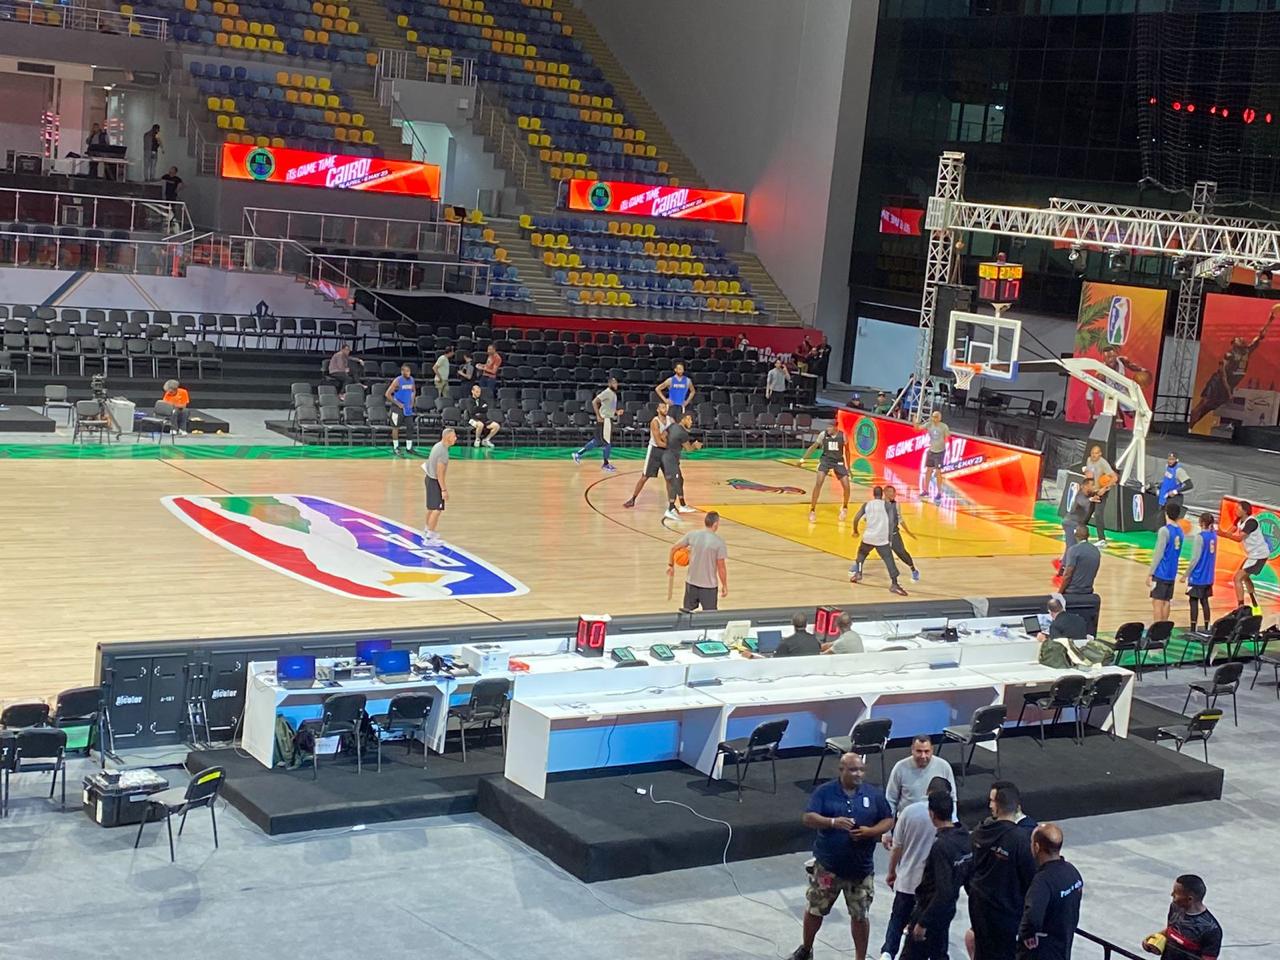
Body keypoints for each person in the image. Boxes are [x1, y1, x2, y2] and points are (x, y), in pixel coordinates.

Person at [788, 753, 894, 960]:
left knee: (860, 916)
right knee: (815, 909)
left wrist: (870, 832)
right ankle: (806, 949)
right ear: (841, 770)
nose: (858, 774)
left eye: (861, 770)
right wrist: (832, 822)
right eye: (853, 770)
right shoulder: (825, 792)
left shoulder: (873, 794)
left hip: (860, 870)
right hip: (828, 868)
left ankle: (860, 958)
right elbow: (808, 818)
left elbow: (888, 820)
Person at [881, 777, 953, 960]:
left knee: (897, 920)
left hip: (907, 879)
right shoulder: (949, 818)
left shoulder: (909, 811)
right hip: (932, 887)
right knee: (937, 930)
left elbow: (897, 846)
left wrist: (891, 872)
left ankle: (888, 953)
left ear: (927, 790)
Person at [968, 783, 1037, 960]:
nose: (989, 805)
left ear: (997, 806)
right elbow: (1031, 881)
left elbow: (969, 869)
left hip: (980, 908)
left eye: (991, 801)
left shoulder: (979, 832)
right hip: (1007, 914)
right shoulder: (1022, 841)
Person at [903, 790, 973, 960]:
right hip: (947, 910)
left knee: (911, 955)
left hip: (930, 909)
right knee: (938, 953)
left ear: (932, 814)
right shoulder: (965, 838)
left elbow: (943, 890)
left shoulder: (941, 847)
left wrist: (923, 922)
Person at [1189, 305, 1276, 429]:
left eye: (1241, 338)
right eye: (1238, 339)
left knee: (1209, 408)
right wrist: (1229, 391)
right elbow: (1223, 374)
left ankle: (1191, 426)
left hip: (1229, 385)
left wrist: (1270, 320)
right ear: (1234, 344)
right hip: (1218, 383)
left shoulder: (1247, 351)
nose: (1241, 339)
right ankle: (1188, 425)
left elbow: (1260, 335)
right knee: (1204, 403)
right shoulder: (1230, 354)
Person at [1017, 823, 1082, 960]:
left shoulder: (1042, 882)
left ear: (1036, 847)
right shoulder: (1072, 872)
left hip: (1042, 951)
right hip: (1063, 945)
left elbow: (1033, 916)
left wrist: (1027, 934)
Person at [1143, 874, 1222, 960]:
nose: (1171, 894)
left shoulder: (1211, 930)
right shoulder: (1175, 907)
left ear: (1189, 899)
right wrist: (1154, 941)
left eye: (1176, 893)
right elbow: (1171, 930)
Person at [851, 487, 908, 596]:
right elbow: (891, 522)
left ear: (873, 494)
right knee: (889, 560)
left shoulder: (867, 504)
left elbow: (856, 518)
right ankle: (894, 584)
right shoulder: (887, 505)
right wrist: (890, 537)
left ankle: (858, 573)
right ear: (882, 494)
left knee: (861, 555)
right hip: (881, 538)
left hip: (868, 537)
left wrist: (855, 530)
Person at [884, 736, 956, 818]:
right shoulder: (900, 767)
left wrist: (953, 819)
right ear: (912, 750)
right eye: (919, 751)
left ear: (932, 750)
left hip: (936, 819)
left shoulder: (943, 766)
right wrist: (890, 822)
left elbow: (952, 797)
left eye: (926, 751)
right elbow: (891, 799)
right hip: (908, 820)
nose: (923, 756)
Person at [669, 511, 727, 612]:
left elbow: (673, 548)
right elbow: (721, 567)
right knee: (710, 616)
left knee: (687, 614)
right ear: (715, 524)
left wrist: (671, 565)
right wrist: (724, 585)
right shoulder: (719, 542)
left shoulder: (692, 535)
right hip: (709, 587)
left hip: (691, 584)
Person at [623, 400, 672, 508]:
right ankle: (633, 499)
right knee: (645, 477)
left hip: (666, 451)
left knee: (669, 478)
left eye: (666, 407)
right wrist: (672, 445)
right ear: (658, 409)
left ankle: (671, 505)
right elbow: (658, 442)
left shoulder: (671, 420)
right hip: (655, 450)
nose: (665, 409)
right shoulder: (655, 422)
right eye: (663, 407)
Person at [800, 422, 851, 523]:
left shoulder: (843, 436)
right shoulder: (823, 434)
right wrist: (803, 459)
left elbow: (847, 451)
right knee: (819, 483)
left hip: (838, 461)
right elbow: (814, 446)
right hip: (826, 460)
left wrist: (848, 467)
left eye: (830, 427)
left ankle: (845, 507)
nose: (828, 429)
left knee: (847, 486)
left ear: (835, 427)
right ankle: (812, 510)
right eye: (827, 427)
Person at [1223, 500, 1268, 610]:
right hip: (1252, 555)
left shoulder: (1251, 522)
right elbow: (1229, 532)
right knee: (1245, 578)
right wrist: (1220, 533)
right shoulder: (1239, 520)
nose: (1236, 510)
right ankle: (1255, 603)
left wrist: (1222, 533)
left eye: (1238, 508)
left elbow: (1239, 538)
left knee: (1237, 578)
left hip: (1259, 555)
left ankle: (1241, 607)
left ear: (1245, 511)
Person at [572, 375, 619, 472]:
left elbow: (609, 407)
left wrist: (616, 412)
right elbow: (594, 402)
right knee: (607, 442)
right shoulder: (607, 392)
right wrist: (598, 415)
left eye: (616, 383)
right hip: (605, 419)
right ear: (609, 384)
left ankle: (578, 454)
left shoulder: (613, 394)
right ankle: (605, 464)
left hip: (607, 418)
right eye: (614, 383)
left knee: (597, 441)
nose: (616, 384)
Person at [661, 411, 701, 521]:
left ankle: (682, 505)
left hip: (667, 456)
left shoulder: (672, 426)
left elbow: (662, 435)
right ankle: (670, 509)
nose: (691, 422)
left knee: (680, 480)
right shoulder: (682, 433)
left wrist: (667, 445)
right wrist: (695, 446)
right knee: (674, 482)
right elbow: (689, 449)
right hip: (670, 459)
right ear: (683, 419)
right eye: (689, 419)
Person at [1149, 503, 1186, 623]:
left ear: (1166, 514)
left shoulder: (1164, 530)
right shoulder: (1180, 532)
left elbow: (1159, 553)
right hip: (1172, 572)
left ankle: (1157, 629)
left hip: (1161, 572)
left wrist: (1151, 572)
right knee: (1166, 601)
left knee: (1157, 602)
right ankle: (1164, 628)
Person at [1183, 513, 1218, 632]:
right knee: (1205, 601)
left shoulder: (1200, 537)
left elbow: (1195, 559)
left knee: (1193, 601)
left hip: (1198, 576)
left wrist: (1186, 574)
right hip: (1208, 576)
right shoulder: (1214, 536)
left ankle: (1193, 629)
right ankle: (1207, 626)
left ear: (1201, 523)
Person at [422, 427, 456, 544]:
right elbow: (440, 473)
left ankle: (427, 530)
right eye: (454, 436)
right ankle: (429, 537)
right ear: (447, 437)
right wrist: (444, 490)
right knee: (437, 510)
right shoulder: (443, 453)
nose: (456, 438)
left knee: (431, 508)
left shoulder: (437, 445)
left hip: (428, 478)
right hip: (434, 481)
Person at [1080, 444, 1117, 546]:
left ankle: (1102, 539)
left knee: (1098, 514)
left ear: (1100, 454)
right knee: (1087, 511)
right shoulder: (1089, 460)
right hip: (1093, 490)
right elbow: (1089, 474)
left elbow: (1114, 478)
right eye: (1092, 453)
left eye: (1096, 453)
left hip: (1102, 491)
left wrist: (1104, 489)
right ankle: (1080, 530)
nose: (1094, 455)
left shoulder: (1103, 463)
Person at [1058, 478, 1097, 574]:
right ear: (1085, 486)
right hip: (1071, 523)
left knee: (1075, 545)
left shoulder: (1091, 494)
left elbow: (1099, 492)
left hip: (1078, 524)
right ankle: (1064, 568)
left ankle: (1065, 564)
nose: (1093, 487)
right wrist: (1091, 499)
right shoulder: (1080, 495)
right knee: (1071, 546)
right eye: (1091, 485)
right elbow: (1082, 501)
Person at [884, 485, 921, 583]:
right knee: (865, 548)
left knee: (902, 553)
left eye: (894, 492)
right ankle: (857, 567)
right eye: (891, 492)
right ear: (885, 493)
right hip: (881, 535)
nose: (893, 494)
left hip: (894, 534)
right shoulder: (879, 504)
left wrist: (908, 531)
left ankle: (913, 570)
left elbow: (900, 518)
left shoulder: (896, 505)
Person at [385, 363, 417, 457]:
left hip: (407, 408)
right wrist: (398, 403)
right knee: (396, 427)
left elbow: (413, 391)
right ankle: (396, 447)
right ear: (402, 372)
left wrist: (412, 401)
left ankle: (409, 447)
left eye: (409, 371)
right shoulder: (397, 381)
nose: (408, 373)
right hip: (397, 408)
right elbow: (387, 394)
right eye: (406, 371)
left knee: (410, 427)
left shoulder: (411, 380)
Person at [1059, 526, 1100, 596]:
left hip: (1072, 592)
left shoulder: (1073, 550)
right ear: (1088, 535)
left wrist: (1059, 593)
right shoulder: (1096, 550)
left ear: (1075, 535)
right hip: (1088, 591)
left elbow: (1068, 575)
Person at [922, 411, 949, 502]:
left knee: (938, 472)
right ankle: (926, 490)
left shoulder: (944, 426)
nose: (934, 418)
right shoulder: (929, 424)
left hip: (940, 452)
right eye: (933, 416)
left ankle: (939, 492)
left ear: (940, 418)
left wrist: (943, 445)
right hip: (931, 451)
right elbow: (918, 428)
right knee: (928, 470)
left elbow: (947, 438)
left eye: (936, 417)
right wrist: (915, 422)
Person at [463, 383, 500, 448]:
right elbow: (472, 411)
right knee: (480, 425)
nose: (478, 393)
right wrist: (481, 408)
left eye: (479, 392)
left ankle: (486, 440)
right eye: (477, 392)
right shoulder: (469, 401)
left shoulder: (483, 401)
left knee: (496, 426)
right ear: (472, 391)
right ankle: (477, 439)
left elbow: (485, 409)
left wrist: (477, 409)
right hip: (472, 419)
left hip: (483, 419)